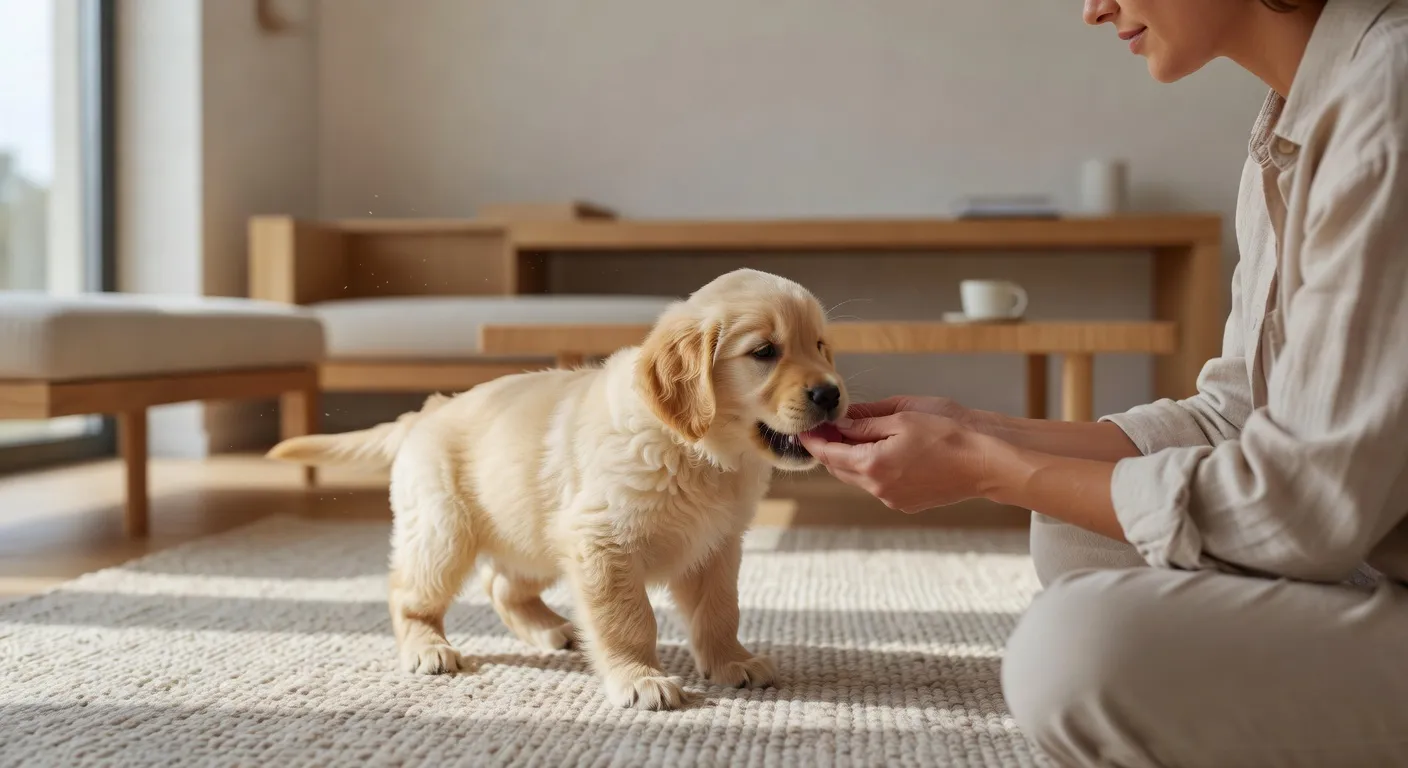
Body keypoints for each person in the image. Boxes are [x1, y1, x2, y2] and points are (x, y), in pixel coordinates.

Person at [798, 0, 1408, 764]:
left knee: (1075, 654)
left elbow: (1301, 507)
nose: (1093, 9)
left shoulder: (1388, 104)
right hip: (1368, 544)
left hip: (1339, 532)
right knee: (1077, 532)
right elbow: (1240, 413)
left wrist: (991, 470)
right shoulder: (1293, 120)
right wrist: (981, 431)